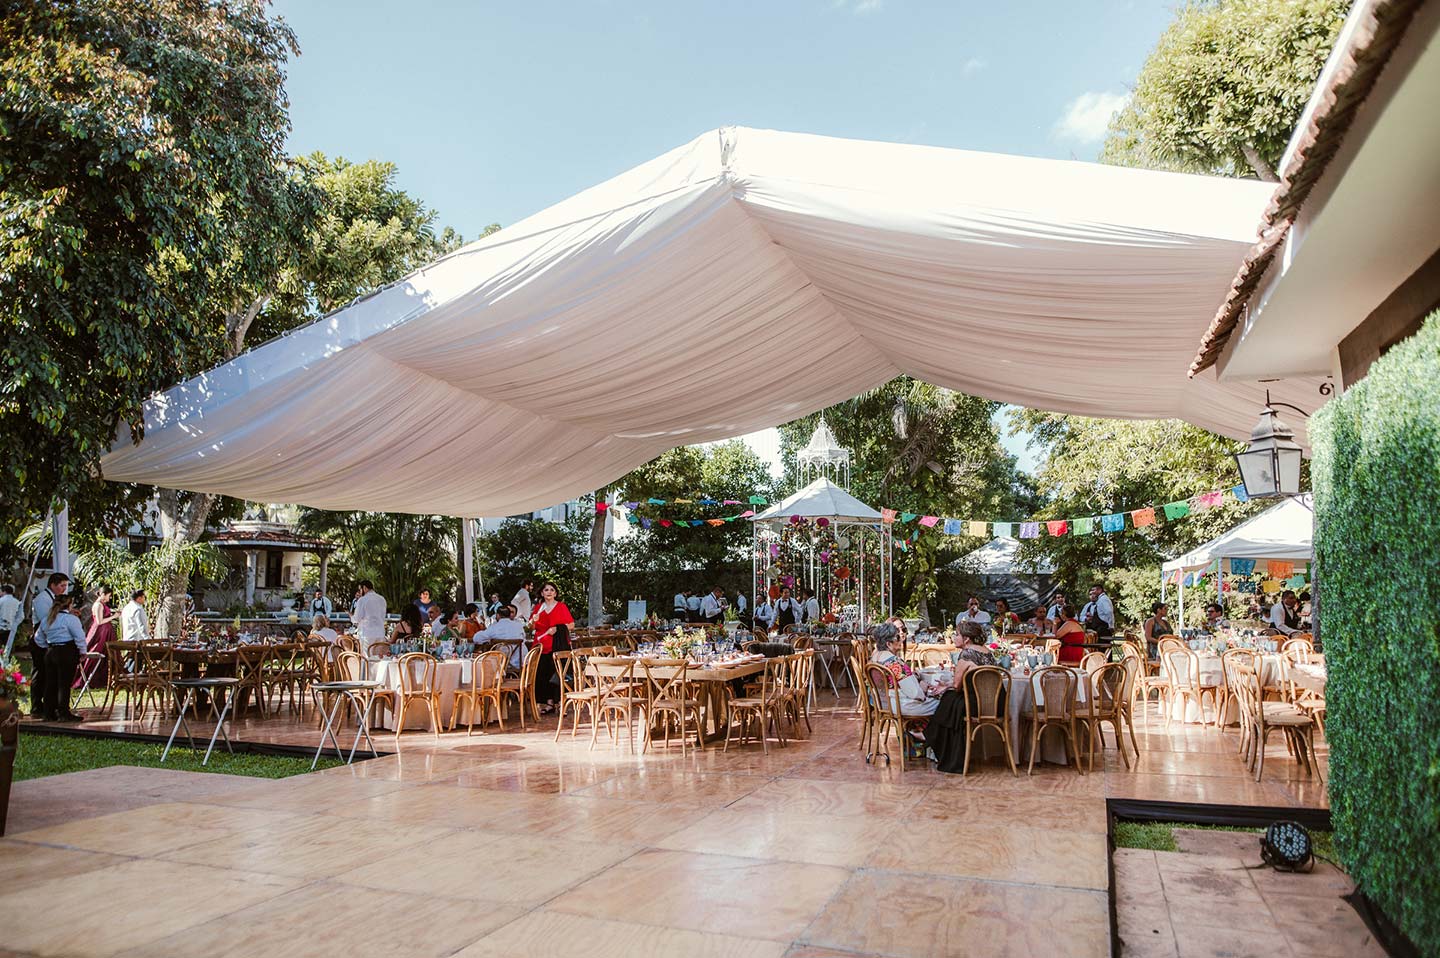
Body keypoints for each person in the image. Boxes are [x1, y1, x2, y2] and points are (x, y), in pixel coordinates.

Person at [924, 620, 1002, 773]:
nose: (954, 637)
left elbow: (957, 685)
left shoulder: (967, 654)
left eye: (957, 634)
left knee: (949, 698)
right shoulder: (986, 651)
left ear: (966, 639)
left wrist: (944, 687)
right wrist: (946, 687)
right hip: (996, 701)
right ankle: (929, 735)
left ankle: (931, 737)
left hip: (977, 704)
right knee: (951, 699)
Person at [868, 623, 941, 717]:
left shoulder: (874, 659)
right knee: (945, 704)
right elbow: (914, 693)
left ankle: (917, 729)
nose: (901, 639)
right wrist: (923, 688)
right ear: (888, 644)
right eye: (897, 637)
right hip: (901, 706)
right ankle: (922, 731)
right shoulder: (895, 663)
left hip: (882, 704)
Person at [36, 593, 86, 722]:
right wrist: (82, 652)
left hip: (51, 651)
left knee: (50, 683)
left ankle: (48, 712)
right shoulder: (70, 619)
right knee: (64, 683)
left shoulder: (47, 619)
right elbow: (79, 637)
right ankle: (63, 712)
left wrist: (48, 646)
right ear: (69, 605)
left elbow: (38, 638)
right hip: (66, 651)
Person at [28, 573, 70, 717]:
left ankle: (50, 705)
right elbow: (46, 619)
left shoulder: (54, 599)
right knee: (39, 673)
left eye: (65, 586)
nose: (64, 589)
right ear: (52, 584)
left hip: (50, 640)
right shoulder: (42, 599)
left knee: (49, 675)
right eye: (62, 585)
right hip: (40, 639)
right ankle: (36, 706)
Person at [529, 582, 574, 712]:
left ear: (555, 593)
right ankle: (548, 703)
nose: (549, 592)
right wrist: (533, 621)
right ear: (542, 593)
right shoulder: (538, 607)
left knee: (558, 674)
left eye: (552, 590)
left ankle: (560, 703)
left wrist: (558, 628)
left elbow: (571, 624)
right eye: (546, 590)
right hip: (541, 645)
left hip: (557, 644)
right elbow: (531, 627)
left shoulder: (561, 607)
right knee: (542, 675)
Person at [75, 585, 117, 689]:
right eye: (108, 595)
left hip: (106, 632)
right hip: (100, 632)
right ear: (103, 594)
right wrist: (114, 616)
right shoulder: (98, 605)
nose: (109, 598)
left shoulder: (102, 604)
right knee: (97, 650)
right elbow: (99, 621)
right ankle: (89, 677)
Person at [476, 604, 526, 669]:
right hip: (520, 662)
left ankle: (491, 679)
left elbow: (476, 639)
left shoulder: (495, 627)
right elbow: (524, 639)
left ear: (498, 615)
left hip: (501, 664)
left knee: (484, 660)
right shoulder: (519, 626)